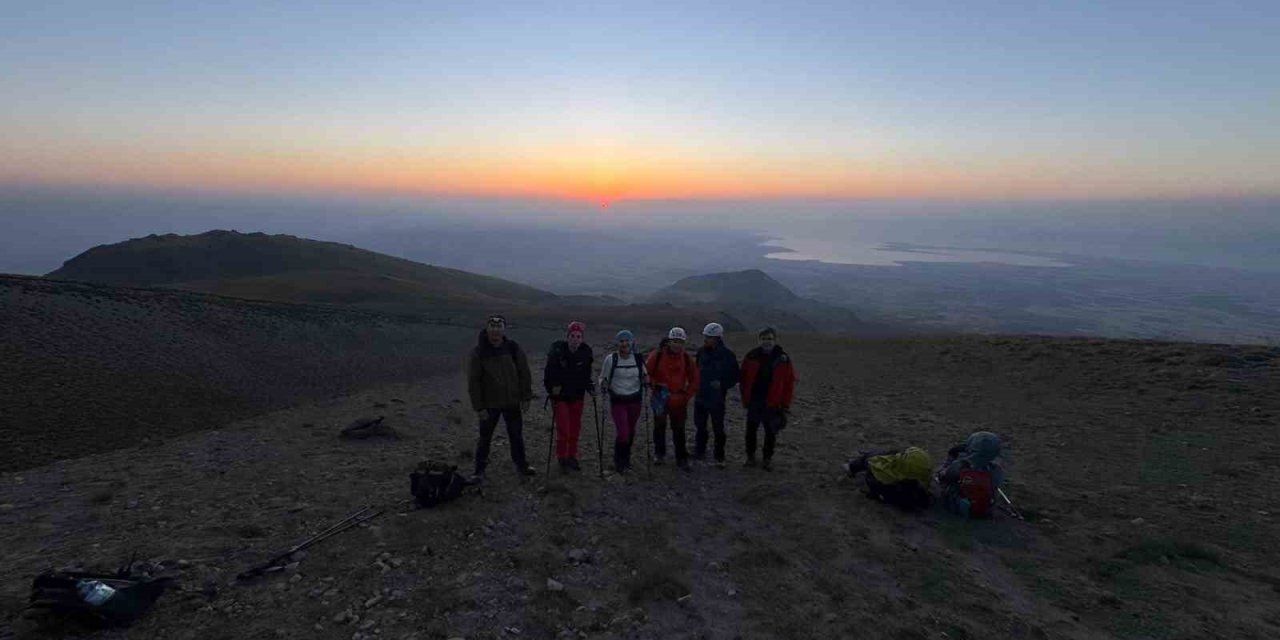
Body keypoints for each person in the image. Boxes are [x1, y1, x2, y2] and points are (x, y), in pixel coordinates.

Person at [467, 314, 537, 481]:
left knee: (516, 436)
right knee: (485, 438)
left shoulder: (512, 348)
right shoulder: (479, 352)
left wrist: (526, 396)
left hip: (512, 401)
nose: (496, 330)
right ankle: (479, 470)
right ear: (487, 329)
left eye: (499, 327)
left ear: (503, 329)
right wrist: (479, 407)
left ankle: (522, 465)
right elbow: (473, 382)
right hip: (489, 405)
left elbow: (523, 372)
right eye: (492, 326)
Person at [739, 327, 796, 471]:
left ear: (774, 340)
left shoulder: (783, 359)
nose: (767, 342)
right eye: (764, 339)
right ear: (759, 340)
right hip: (754, 400)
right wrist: (745, 398)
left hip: (773, 402)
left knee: (770, 432)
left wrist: (785, 404)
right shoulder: (751, 356)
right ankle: (751, 456)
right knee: (751, 430)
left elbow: (789, 382)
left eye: (769, 339)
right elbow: (743, 379)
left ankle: (767, 458)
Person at [544, 321, 595, 473]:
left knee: (575, 429)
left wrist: (590, 387)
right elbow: (548, 375)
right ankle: (562, 457)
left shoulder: (586, 353)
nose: (575, 339)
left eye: (578, 336)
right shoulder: (558, 352)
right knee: (563, 429)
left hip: (577, 397)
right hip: (560, 398)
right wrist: (552, 389)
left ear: (582, 338)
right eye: (572, 336)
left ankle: (571, 456)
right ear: (567, 337)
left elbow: (586, 375)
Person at [645, 327, 699, 471]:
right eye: (675, 341)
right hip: (660, 397)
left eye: (680, 342)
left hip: (678, 398)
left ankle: (681, 458)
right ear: (669, 341)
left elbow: (694, 379)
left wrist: (687, 395)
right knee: (659, 427)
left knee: (679, 429)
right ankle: (659, 453)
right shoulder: (656, 356)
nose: (677, 345)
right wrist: (655, 385)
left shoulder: (687, 358)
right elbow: (646, 373)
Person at [599, 329, 645, 473]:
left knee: (630, 431)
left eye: (627, 340)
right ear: (617, 343)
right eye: (621, 341)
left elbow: (644, 374)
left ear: (632, 342)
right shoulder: (611, 359)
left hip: (635, 400)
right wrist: (603, 384)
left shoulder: (637, 359)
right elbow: (602, 377)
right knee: (623, 432)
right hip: (618, 401)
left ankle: (626, 459)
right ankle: (619, 461)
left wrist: (646, 380)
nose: (624, 343)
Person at [693, 322, 739, 467]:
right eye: (705, 336)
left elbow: (735, 375)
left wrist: (722, 384)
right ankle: (700, 451)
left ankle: (719, 455)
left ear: (717, 338)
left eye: (709, 337)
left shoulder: (728, 356)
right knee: (700, 426)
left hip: (717, 398)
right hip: (701, 396)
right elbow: (696, 369)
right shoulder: (701, 352)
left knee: (718, 427)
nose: (706, 339)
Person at [937, 431, 1006, 518]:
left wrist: (950, 458)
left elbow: (942, 476)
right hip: (985, 510)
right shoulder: (996, 470)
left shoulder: (961, 465)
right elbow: (995, 487)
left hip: (958, 507)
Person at [843, 447, 934, 510]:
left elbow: (869, 462)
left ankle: (852, 468)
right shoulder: (917, 485)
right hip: (901, 478)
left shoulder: (891, 483)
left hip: (881, 479)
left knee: (871, 461)